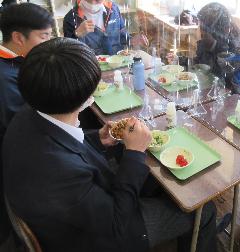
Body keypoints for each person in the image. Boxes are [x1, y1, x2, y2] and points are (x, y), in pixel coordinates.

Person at [2, 37, 218, 252]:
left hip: (72, 209)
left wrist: (98, 138)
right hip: (97, 237)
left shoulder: (30, 111)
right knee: (204, 210)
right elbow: (117, 223)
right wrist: (134, 152)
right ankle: (201, 232)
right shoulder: (58, 171)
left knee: (156, 177)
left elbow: (64, 142)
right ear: (82, 97)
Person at [0, 2, 53, 247]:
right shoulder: (5, 78)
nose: (49, 42)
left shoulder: (17, 62)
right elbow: (22, 128)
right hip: (31, 166)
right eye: (44, 36)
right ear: (18, 37)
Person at [168, 2, 240, 99]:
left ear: (215, 30)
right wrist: (179, 60)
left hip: (234, 96)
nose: (200, 31)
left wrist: (213, 45)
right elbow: (199, 65)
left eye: (203, 28)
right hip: (209, 92)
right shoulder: (208, 41)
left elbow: (223, 75)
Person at [63, 0, 128, 55]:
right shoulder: (71, 18)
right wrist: (77, 34)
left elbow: (123, 34)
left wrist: (133, 40)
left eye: (98, 0)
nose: (92, 3)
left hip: (117, 62)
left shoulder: (113, 10)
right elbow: (68, 53)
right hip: (90, 65)